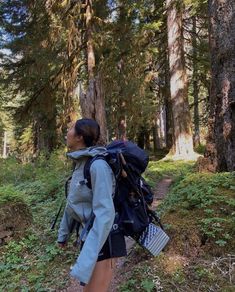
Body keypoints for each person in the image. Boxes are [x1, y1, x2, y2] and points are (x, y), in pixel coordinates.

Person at [57, 118, 127, 292]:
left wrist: (87, 256)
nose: (67, 131)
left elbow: (105, 214)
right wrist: (63, 234)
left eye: (71, 128)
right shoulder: (81, 164)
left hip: (105, 239)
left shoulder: (98, 166)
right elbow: (73, 202)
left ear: (80, 136)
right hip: (90, 237)